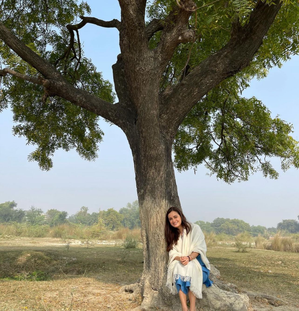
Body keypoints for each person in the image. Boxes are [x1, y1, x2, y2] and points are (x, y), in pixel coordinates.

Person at [165, 206, 213, 311]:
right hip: (182, 264)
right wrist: (181, 258)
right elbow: (173, 253)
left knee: (189, 268)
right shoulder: (173, 235)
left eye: (175, 217)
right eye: (170, 219)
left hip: (199, 266)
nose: (173, 220)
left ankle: (192, 308)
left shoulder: (195, 229)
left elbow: (199, 248)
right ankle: (184, 307)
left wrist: (189, 258)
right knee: (178, 266)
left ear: (181, 216)